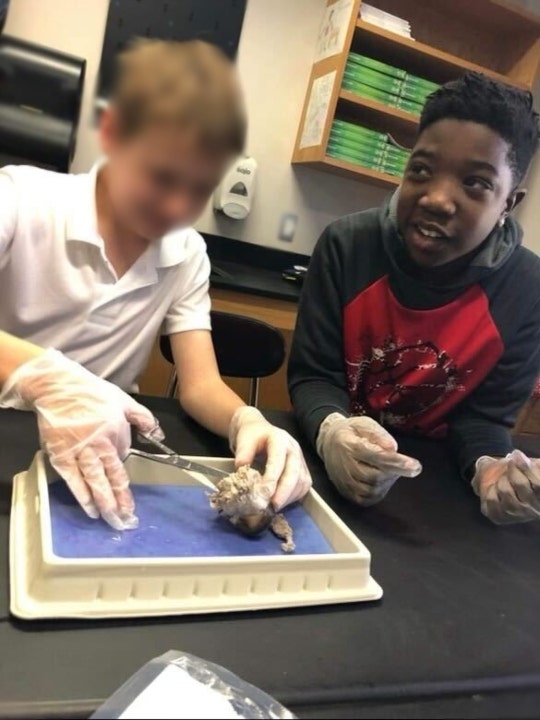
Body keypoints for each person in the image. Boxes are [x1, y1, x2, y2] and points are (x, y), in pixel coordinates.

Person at [0, 39, 311, 531]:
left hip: (103, 456)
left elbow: (201, 384)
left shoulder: (185, 254)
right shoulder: (20, 198)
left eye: (199, 189)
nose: (175, 207)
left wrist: (247, 421)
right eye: (162, 176)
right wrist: (44, 380)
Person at [288, 71, 540, 525]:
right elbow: (313, 376)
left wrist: (491, 469)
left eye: (476, 183)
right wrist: (333, 431)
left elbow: (484, 419)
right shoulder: (347, 246)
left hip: (437, 499)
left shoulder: (526, 289)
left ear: (510, 202)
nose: (437, 199)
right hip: (323, 478)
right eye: (421, 170)